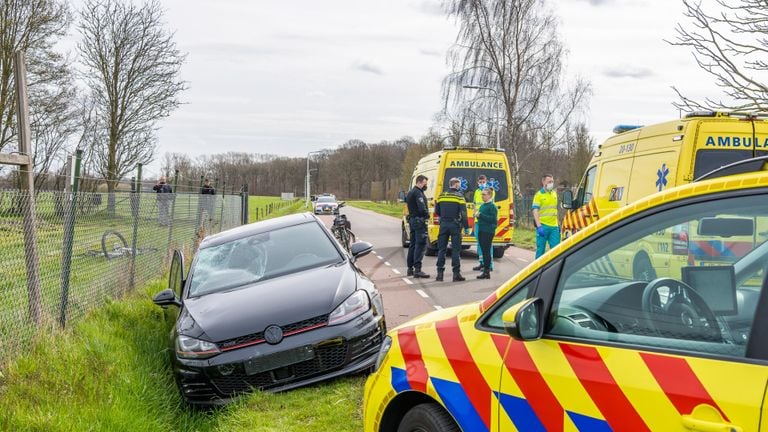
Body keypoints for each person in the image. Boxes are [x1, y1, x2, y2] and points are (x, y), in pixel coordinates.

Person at [435, 177, 469, 282]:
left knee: (441, 249)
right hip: (455, 225)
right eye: (459, 185)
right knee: (456, 250)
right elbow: (463, 213)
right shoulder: (459, 196)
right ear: (456, 185)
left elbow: (437, 211)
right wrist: (466, 227)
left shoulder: (441, 196)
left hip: (443, 224)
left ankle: (439, 274)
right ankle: (456, 274)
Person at [406, 175, 430, 278]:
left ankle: (410, 268)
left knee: (413, 244)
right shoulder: (418, 193)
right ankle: (418, 269)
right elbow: (421, 208)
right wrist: (427, 215)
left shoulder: (411, 192)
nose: (426, 185)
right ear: (420, 182)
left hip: (412, 220)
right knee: (420, 245)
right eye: (425, 183)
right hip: (419, 221)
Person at [532, 174, 560, 258]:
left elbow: (555, 210)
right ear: (543, 182)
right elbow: (535, 210)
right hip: (543, 226)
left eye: (552, 181)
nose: (551, 183)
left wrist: (558, 224)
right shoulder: (538, 195)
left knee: (556, 251)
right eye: (549, 182)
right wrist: (539, 226)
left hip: (554, 227)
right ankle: (538, 269)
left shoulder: (554, 194)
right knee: (540, 251)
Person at [472, 174, 495, 272]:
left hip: (485, 221)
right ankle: (481, 263)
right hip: (478, 221)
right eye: (480, 182)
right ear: (478, 183)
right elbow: (474, 204)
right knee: (479, 243)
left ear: (486, 181)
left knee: (487, 245)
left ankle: (489, 265)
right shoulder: (477, 192)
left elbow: (491, 203)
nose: (481, 184)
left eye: (483, 182)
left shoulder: (490, 191)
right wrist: (474, 213)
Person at [475, 188, 498, 279]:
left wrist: (480, 215)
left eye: (484, 194)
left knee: (486, 251)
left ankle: (487, 271)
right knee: (484, 251)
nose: (482, 196)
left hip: (487, 231)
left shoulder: (492, 206)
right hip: (482, 229)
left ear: (490, 195)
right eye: (482, 194)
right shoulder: (484, 205)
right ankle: (485, 269)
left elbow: (493, 219)